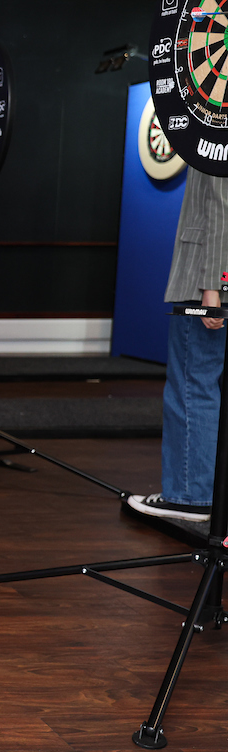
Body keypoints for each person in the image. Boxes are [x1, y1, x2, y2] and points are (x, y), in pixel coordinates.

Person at [128, 168, 228, 523]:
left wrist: (212, 286)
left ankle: (190, 495)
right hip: (212, 279)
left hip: (206, 282)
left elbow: (220, 202)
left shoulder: (217, 122)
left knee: (192, 386)